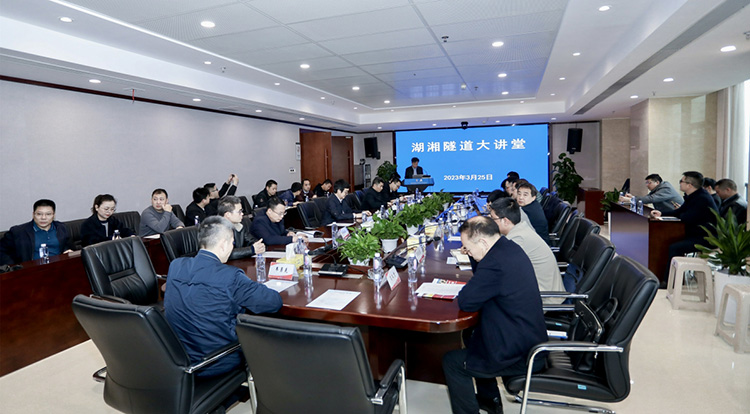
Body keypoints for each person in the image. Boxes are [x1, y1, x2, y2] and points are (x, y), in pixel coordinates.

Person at [443, 216, 547, 414]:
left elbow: (467, 301)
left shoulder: (495, 264)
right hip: (526, 335)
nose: (467, 252)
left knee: (452, 362)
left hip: (518, 352)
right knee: (471, 335)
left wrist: (476, 259)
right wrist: (474, 256)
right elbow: (483, 279)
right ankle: (489, 400)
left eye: (468, 248)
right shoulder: (506, 247)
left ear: (483, 242)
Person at [164, 216, 282, 378]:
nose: (232, 247)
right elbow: (273, 302)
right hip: (218, 360)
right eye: (232, 243)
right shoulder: (231, 276)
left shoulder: (176, 265)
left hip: (180, 359)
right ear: (224, 244)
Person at [489, 198, 564, 304]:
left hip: (544, 298)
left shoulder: (518, 238)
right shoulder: (520, 228)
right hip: (535, 290)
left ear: (505, 220)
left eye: (493, 219)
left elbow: (497, 267)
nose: (490, 223)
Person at [651, 171, 718, 285]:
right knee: (668, 242)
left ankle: (669, 282)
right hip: (695, 233)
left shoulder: (702, 198)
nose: (680, 183)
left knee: (674, 247)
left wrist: (680, 215)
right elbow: (679, 212)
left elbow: (687, 217)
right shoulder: (694, 196)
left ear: (689, 185)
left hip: (705, 238)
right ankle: (668, 278)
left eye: (681, 181)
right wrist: (661, 213)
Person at [1, 199, 73, 265]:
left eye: (48, 214)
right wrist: (13, 267)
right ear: (33, 214)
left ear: (53, 215)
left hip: (59, 268)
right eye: (39, 214)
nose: (43, 218)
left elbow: (69, 247)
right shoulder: (18, 232)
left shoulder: (61, 228)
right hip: (32, 270)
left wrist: (67, 251)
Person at [619, 174, 683, 211]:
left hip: (677, 216)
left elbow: (651, 199)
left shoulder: (666, 188)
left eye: (649, 183)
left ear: (657, 182)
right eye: (646, 183)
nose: (647, 185)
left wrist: (630, 200)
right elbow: (647, 197)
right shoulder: (658, 189)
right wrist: (632, 197)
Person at [515, 179, 551, 245]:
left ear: (533, 197)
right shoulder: (533, 205)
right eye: (519, 194)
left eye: (525, 195)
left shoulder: (526, 211)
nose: (520, 197)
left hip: (538, 244)